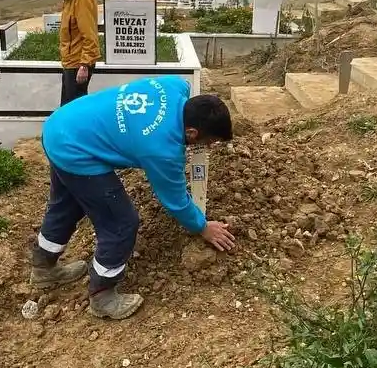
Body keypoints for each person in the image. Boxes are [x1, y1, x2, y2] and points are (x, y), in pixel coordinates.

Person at [29, 76, 236, 320]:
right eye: (209, 141)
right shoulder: (162, 150)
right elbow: (176, 201)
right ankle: (103, 296)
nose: (209, 147)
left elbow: (180, 82)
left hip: (61, 126)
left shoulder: (174, 87)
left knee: (67, 204)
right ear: (191, 132)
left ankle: (43, 268)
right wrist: (202, 226)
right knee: (120, 222)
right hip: (76, 150)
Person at [44, 0, 101, 105]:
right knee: (71, 109)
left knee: (73, 111)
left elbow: (89, 35)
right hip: (71, 63)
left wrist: (85, 65)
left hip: (78, 65)